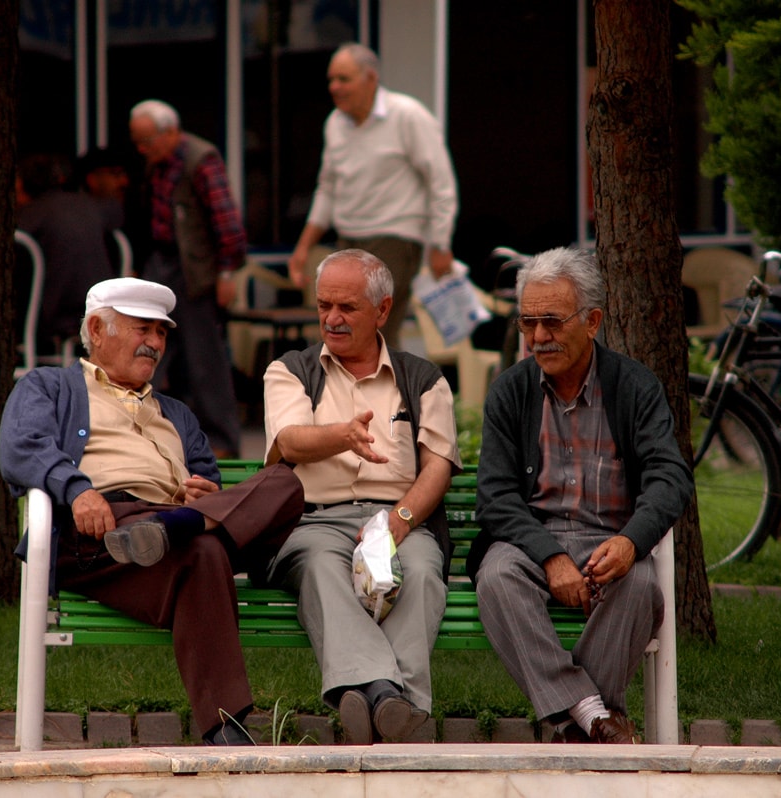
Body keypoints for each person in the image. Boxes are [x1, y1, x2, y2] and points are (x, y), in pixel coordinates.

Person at [0, 277, 305, 746]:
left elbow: (209, 477)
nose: (156, 344)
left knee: (284, 481)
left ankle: (176, 525)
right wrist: (78, 490)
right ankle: (227, 730)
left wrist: (204, 495)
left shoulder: (177, 413)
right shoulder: (51, 386)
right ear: (97, 330)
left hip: (168, 538)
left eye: (161, 333)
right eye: (144, 330)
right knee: (204, 548)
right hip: (102, 536)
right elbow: (21, 447)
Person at [467, 247, 693, 744]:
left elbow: (669, 476)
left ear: (591, 321)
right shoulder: (511, 391)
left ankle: (571, 724)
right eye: (528, 323)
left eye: (551, 322)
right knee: (497, 577)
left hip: (608, 541)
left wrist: (632, 541)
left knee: (638, 589)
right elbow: (496, 496)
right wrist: (550, 558)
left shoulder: (635, 387)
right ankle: (594, 715)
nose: (538, 338)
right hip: (531, 542)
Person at [263, 249, 461, 744]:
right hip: (313, 522)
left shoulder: (424, 379)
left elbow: (436, 465)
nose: (332, 318)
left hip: (399, 520)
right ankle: (392, 699)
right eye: (324, 305)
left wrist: (400, 520)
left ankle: (375, 700)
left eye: (347, 307)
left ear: (383, 310)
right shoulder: (290, 370)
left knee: (421, 573)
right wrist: (342, 435)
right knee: (320, 569)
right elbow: (288, 441)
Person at [287, 43, 459, 349]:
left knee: (373, 335)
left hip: (394, 238)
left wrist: (440, 243)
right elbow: (327, 188)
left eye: (343, 79)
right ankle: (348, 396)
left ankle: (386, 395)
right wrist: (303, 248)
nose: (334, 87)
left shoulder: (407, 115)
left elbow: (441, 183)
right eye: (331, 80)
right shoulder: (335, 124)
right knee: (340, 332)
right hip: (348, 241)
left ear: (371, 79)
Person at [129, 99, 246, 458]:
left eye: (147, 141)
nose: (142, 149)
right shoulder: (156, 164)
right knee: (147, 349)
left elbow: (227, 224)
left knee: (204, 357)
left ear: (170, 132)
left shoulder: (200, 159)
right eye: (138, 142)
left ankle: (223, 440)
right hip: (160, 263)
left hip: (194, 271)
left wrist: (227, 272)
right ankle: (140, 433)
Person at [16, 154, 121, 355]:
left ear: (23, 185)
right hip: (100, 307)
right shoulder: (89, 206)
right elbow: (117, 214)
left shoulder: (30, 216)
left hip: (54, 315)